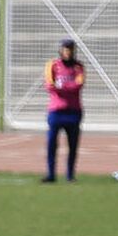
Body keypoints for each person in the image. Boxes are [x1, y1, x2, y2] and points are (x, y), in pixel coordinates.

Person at [43, 39, 85, 183]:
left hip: (73, 112)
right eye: (66, 49)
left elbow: (78, 86)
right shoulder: (52, 65)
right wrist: (66, 87)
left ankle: (70, 175)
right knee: (51, 144)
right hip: (56, 111)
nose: (68, 52)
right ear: (61, 50)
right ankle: (51, 174)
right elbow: (50, 86)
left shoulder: (79, 67)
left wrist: (62, 87)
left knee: (73, 145)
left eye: (71, 49)